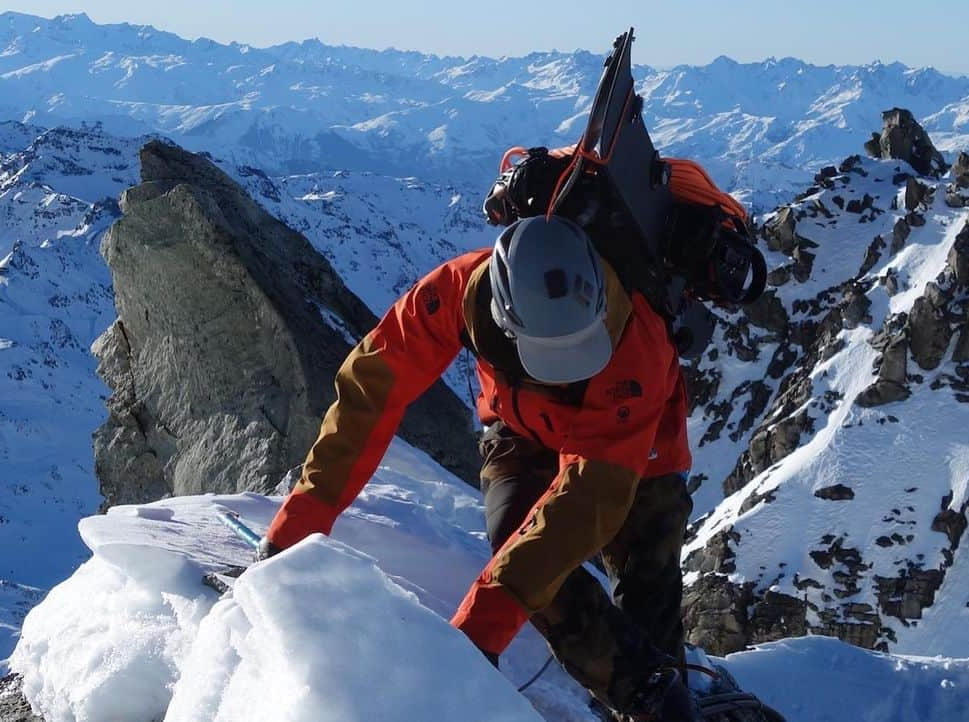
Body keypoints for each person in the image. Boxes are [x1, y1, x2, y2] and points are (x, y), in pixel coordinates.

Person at [259, 214, 701, 720]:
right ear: (504, 316)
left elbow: (586, 502)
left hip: (637, 449)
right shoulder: (457, 294)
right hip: (519, 425)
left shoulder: (634, 342)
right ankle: (639, 689)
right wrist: (296, 526)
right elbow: (370, 391)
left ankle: (659, 695)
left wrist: (478, 632)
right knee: (516, 536)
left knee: (648, 594)